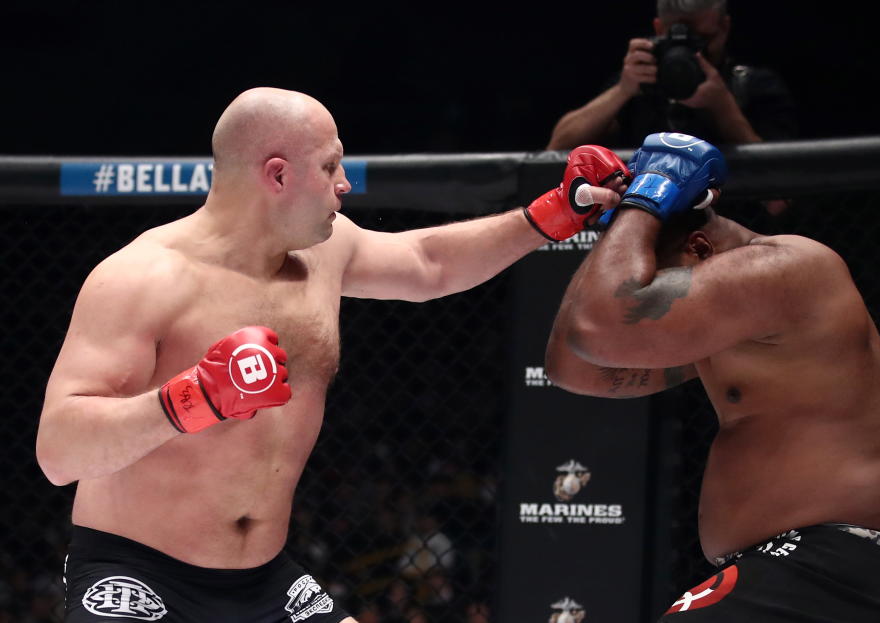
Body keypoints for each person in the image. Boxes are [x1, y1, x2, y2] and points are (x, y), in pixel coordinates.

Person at [35, 87, 628, 623]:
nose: (346, 184)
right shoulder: (141, 278)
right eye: (330, 166)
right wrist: (190, 400)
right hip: (137, 577)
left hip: (265, 584)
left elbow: (429, 263)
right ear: (277, 175)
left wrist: (547, 217)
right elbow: (60, 453)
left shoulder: (325, 250)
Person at [545, 132, 880, 621]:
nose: (643, 299)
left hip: (827, 566)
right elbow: (572, 363)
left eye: (651, 284)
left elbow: (598, 325)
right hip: (802, 572)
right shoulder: (732, 332)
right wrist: (623, 220)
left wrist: (643, 203)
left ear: (700, 247)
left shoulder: (788, 268)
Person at [546, 0, 797, 152]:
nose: (690, 50)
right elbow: (556, 149)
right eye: (678, 39)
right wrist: (622, 90)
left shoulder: (753, 85)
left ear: (725, 27)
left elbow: (779, 201)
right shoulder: (640, 84)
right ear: (658, 29)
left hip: (740, 231)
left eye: (703, 40)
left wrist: (722, 107)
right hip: (652, 232)